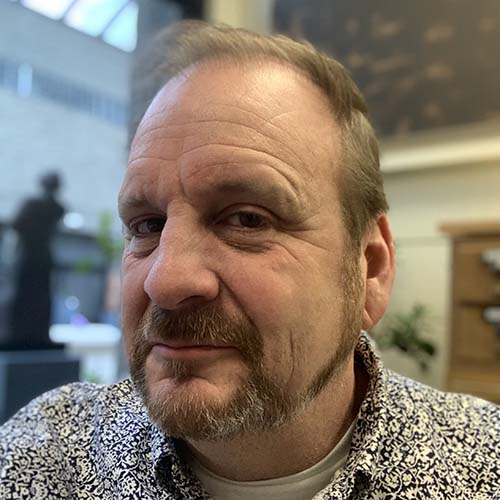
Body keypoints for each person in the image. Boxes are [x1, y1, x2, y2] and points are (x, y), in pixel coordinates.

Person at [0, 21, 498, 500]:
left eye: (247, 220)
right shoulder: (46, 457)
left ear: (369, 269)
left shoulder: (482, 470)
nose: (166, 280)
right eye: (148, 226)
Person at [4, 171, 65, 350]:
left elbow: (17, 225)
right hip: (42, 257)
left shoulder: (33, 204)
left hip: (30, 256)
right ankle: (32, 332)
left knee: (27, 296)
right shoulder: (57, 208)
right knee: (38, 296)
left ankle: (23, 333)